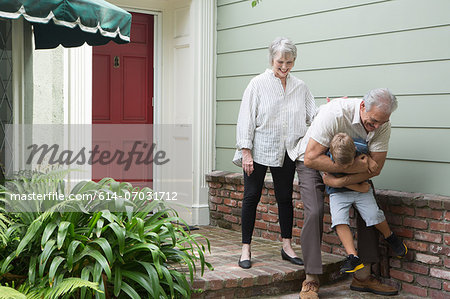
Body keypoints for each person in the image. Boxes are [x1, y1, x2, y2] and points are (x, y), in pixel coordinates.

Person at [295, 88, 400, 298]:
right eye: (372, 122)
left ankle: (363, 277)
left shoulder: (382, 124)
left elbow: (375, 168)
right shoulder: (334, 114)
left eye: (381, 122)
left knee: (367, 207)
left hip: (349, 165)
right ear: (362, 107)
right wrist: (355, 168)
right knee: (315, 211)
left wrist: (340, 180)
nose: (376, 127)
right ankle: (311, 279)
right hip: (313, 161)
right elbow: (311, 158)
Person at [233, 37, 316, 269]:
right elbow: (245, 119)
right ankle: (245, 249)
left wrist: (330, 111)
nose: (284, 67)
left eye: (289, 62)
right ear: (272, 59)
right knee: (251, 196)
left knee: (284, 198)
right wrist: (246, 151)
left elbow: (314, 115)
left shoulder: (300, 87)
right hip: (259, 149)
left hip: (288, 150)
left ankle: (287, 246)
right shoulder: (257, 84)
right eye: (280, 61)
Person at [324, 133, 407, 274]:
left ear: (355, 150)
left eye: (349, 164)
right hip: (338, 192)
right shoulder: (327, 157)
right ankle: (353, 256)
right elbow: (329, 180)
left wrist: (368, 160)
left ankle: (390, 236)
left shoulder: (361, 148)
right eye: (341, 165)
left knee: (373, 214)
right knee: (339, 220)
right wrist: (356, 186)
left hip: (362, 188)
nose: (346, 167)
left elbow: (371, 166)